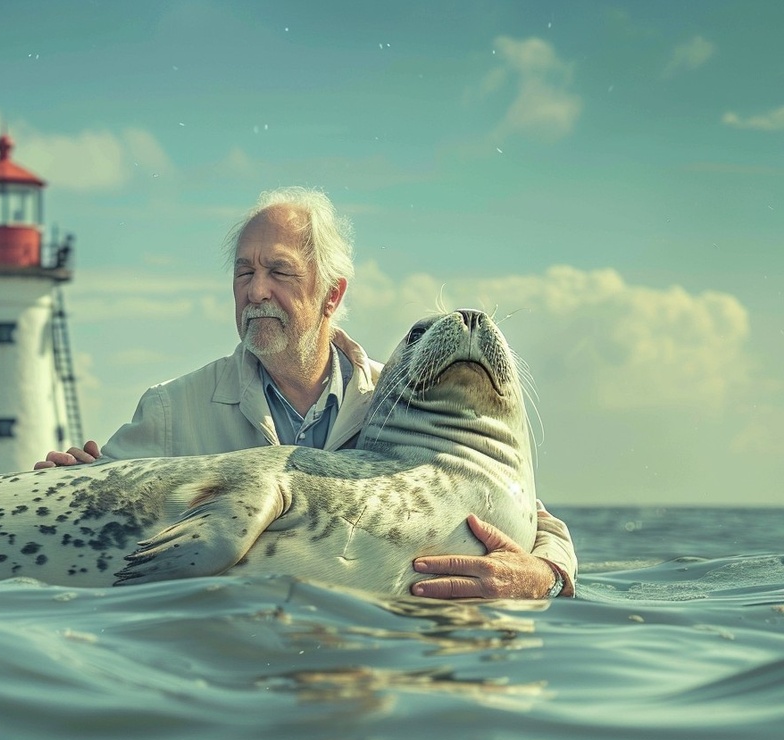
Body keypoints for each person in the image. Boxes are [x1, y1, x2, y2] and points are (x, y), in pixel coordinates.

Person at [35, 187, 576, 599]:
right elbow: (95, 515)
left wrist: (545, 576)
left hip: (358, 663)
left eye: (279, 272)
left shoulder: (404, 398)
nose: (256, 291)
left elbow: (516, 507)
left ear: (331, 294)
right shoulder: (171, 409)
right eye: (244, 272)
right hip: (220, 662)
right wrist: (71, 481)